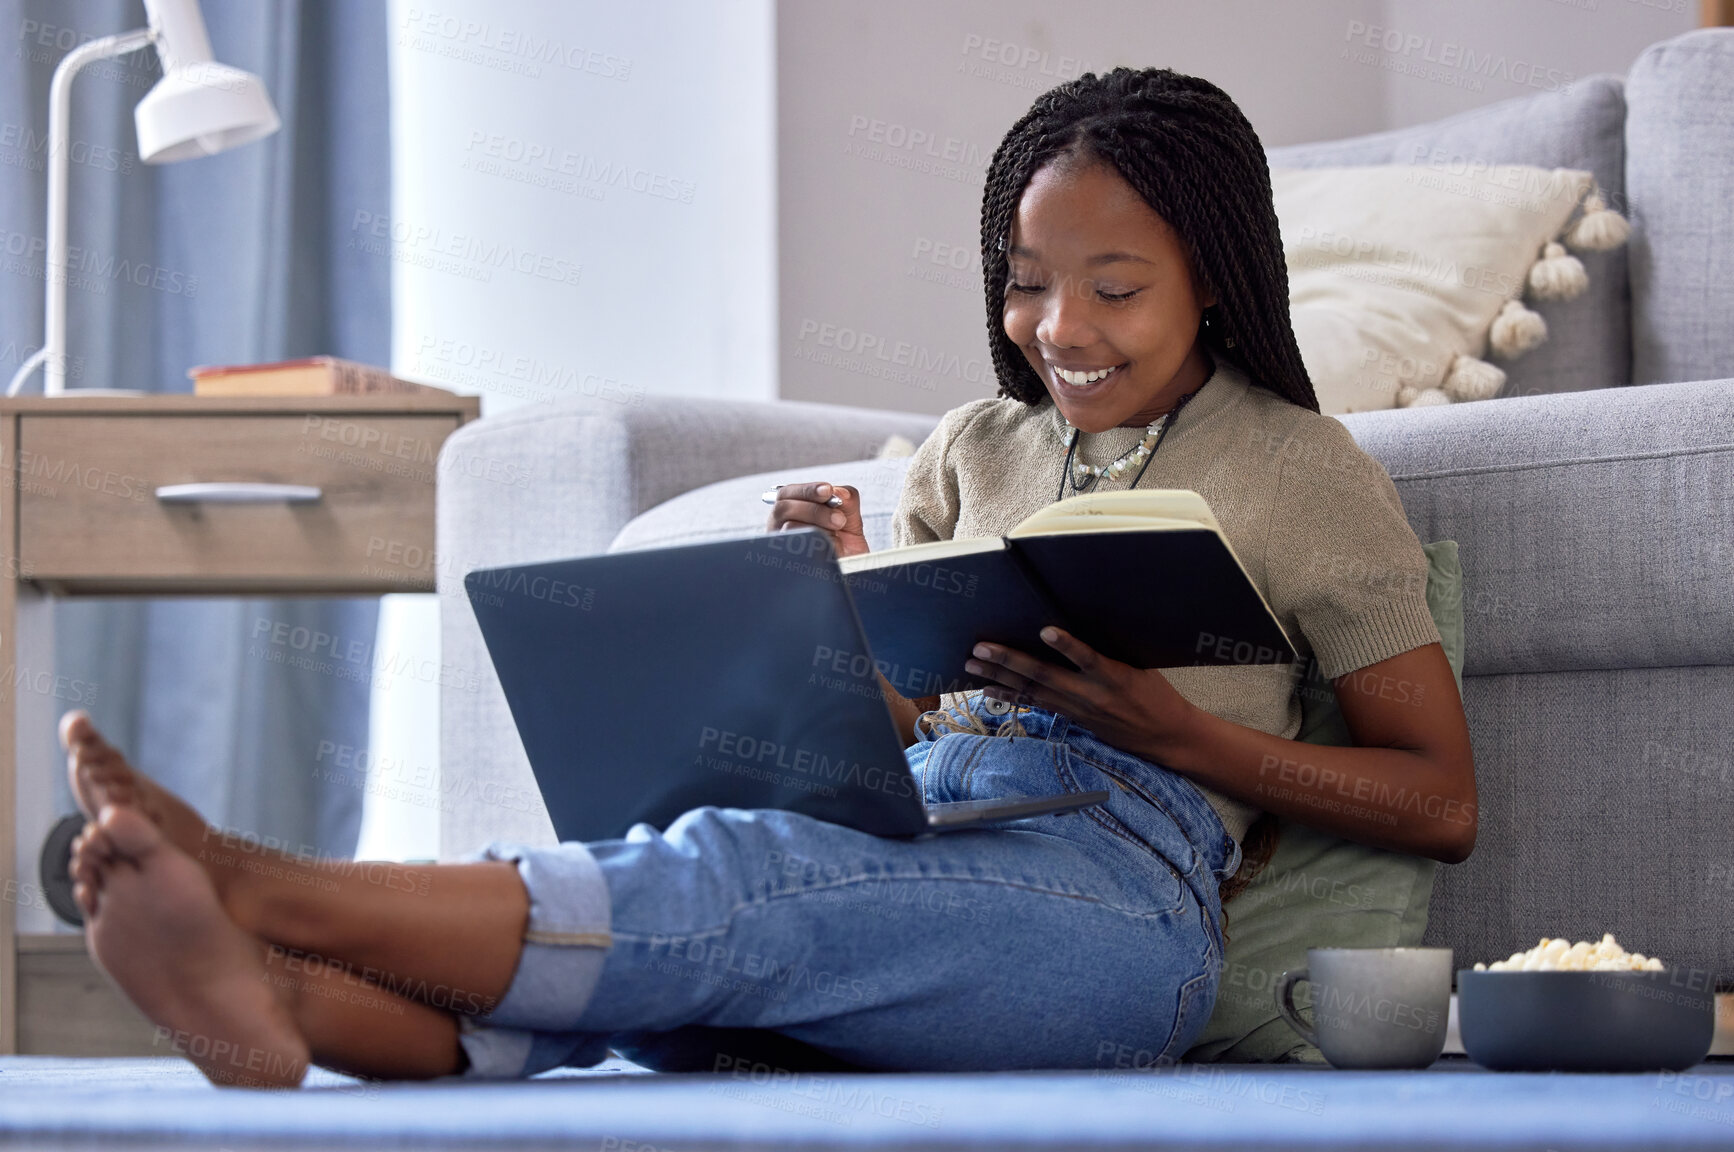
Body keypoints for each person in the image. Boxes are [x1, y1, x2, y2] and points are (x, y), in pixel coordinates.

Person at [61, 68, 1475, 1088]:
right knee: (667, 969)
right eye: (1026, 280)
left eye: (1114, 287)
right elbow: (913, 721)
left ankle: (260, 885)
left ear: (1210, 279)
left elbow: (1440, 799)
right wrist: (835, 617)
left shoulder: (1303, 467)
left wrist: (1186, 738)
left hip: (1119, 899)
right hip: (926, 823)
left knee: (737, 888)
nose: (1058, 327)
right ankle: (278, 1011)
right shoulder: (973, 447)